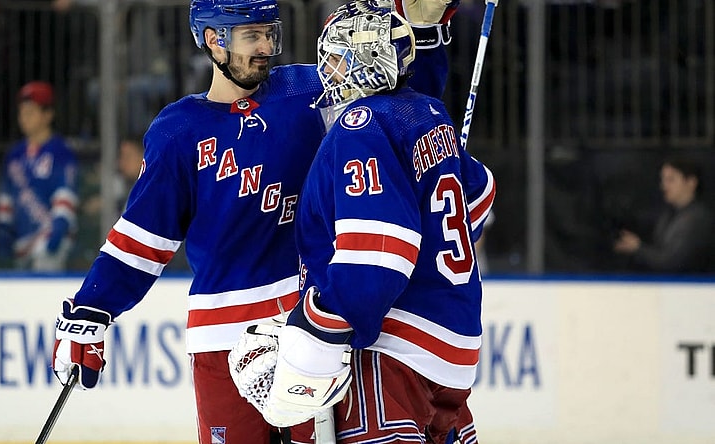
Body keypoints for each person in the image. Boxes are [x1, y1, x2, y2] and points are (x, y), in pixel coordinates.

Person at [50, 0, 459, 443]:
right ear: (213, 41)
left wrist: (423, 32)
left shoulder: (310, 92)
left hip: (308, 335)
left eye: (269, 34)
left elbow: (400, 103)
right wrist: (90, 313)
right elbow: (140, 240)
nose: (265, 47)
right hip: (221, 340)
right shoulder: (178, 132)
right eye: (251, 36)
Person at [229, 2, 494, 443]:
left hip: (393, 350)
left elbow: (379, 256)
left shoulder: (361, 126)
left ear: (365, 61)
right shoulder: (428, 113)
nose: (326, 69)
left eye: (335, 56)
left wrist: (318, 324)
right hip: (453, 349)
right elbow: (479, 197)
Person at [0, 81, 78, 271]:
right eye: (21, 112)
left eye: (30, 112)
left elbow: (65, 199)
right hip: (21, 242)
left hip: (50, 240)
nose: (24, 118)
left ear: (48, 114)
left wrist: (56, 233)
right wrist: (3, 231)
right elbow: (6, 199)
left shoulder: (61, 152)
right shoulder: (14, 154)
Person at [613, 156, 714, 274]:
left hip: (689, 289)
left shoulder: (697, 219)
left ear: (691, 182)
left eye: (671, 179)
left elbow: (672, 263)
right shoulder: (668, 215)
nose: (664, 186)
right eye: (663, 180)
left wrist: (638, 248)